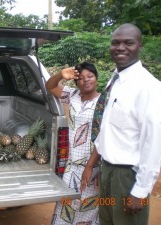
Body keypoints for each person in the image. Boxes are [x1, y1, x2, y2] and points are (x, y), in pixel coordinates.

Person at [81, 23, 161, 225]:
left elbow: (153, 143)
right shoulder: (114, 80)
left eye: (129, 43)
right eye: (115, 43)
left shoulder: (148, 87)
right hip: (107, 171)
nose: (120, 47)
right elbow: (107, 128)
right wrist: (93, 165)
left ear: (139, 46)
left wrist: (141, 191)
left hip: (128, 177)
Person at [45, 61, 100, 225]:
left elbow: (105, 138)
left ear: (96, 78)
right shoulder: (72, 95)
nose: (86, 80)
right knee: (66, 206)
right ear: (76, 82)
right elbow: (50, 86)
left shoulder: (104, 103)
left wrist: (94, 167)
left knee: (87, 208)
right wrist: (61, 75)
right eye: (81, 78)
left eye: (90, 76)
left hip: (93, 166)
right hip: (71, 166)